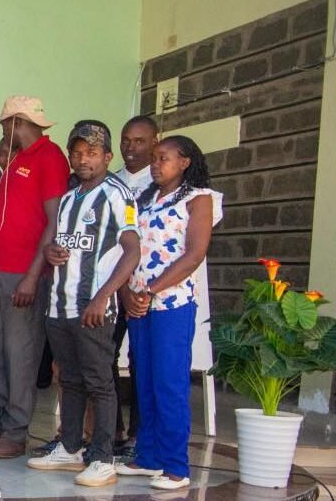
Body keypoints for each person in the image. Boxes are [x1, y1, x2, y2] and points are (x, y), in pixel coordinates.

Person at [26, 122, 140, 487]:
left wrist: (104, 296)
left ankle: (103, 457)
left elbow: (132, 250)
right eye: (77, 153)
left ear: (108, 156)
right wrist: (49, 251)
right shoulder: (69, 196)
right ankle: (71, 446)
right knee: (70, 380)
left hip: (93, 307)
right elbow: (59, 242)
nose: (83, 159)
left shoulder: (117, 195)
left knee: (99, 382)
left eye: (92, 153)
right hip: (60, 306)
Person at [116, 136, 221, 491]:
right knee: (143, 380)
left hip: (171, 305)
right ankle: (148, 457)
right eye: (155, 160)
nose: (156, 165)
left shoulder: (199, 199)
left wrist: (150, 289)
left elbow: (194, 254)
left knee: (169, 383)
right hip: (138, 303)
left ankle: (177, 466)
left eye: (164, 158)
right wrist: (129, 292)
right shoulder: (143, 198)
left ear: (185, 162)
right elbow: (127, 247)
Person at [0, 95, 69, 459]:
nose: (1, 129)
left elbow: (54, 221)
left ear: (18, 123)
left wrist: (32, 275)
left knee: (20, 355)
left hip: (24, 278)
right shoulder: (17, 161)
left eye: (3, 123)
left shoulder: (50, 157)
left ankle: (16, 429)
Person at [110, 114, 158, 451]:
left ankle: (141, 433)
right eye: (126, 140)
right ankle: (112, 428)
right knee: (103, 357)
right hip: (111, 287)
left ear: (156, 141)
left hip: (147, 290)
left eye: (139, 140)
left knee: (143, 360)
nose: (131, 146)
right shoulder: (111, 183)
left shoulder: (162, 183)